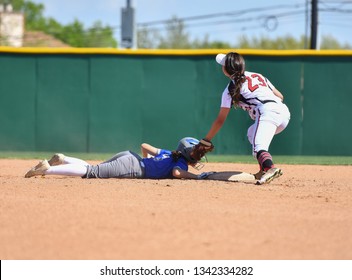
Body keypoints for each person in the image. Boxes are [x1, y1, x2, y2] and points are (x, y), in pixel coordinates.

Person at [199, 52, 290, 185]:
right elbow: (280, 96)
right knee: (251, 133)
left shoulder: (230, 88)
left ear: (226, 70)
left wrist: (206, 140)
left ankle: (270, 168)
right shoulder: (257, 75)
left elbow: (220, 120)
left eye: (223, 65)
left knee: (259, 148)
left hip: (267, 112)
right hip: (284, 112)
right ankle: (263, 170)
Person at [24, 137, 213, 180]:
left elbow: (145, 146)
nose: (199, 156)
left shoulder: (169, 153)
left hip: (130, 156)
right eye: (198, 153)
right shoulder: (178, 162)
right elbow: (177, 172)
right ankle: (46, 169)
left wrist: (145, 161)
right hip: (134, 166)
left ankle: (63, 159)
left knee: (93, 167)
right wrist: (196, 177)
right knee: (91, 172)